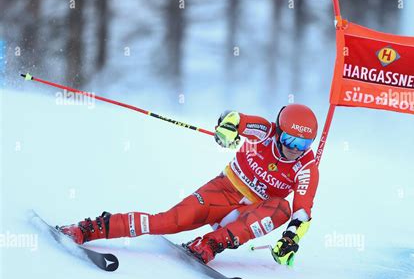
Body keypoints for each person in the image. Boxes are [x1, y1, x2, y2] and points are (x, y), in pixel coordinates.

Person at [58, 104, 319, 266]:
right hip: (222, 191)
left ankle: (208, 245)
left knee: (282, 207)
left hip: (249, 214)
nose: (294, 150)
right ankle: (88, 229)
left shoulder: (307, 167)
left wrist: (290, 238)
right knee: (166, 222)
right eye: (290, 140)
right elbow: (236, 118)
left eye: (303, 145)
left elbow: (302, 212)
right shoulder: (265, 131)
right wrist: (227, 129)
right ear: (278, 129)